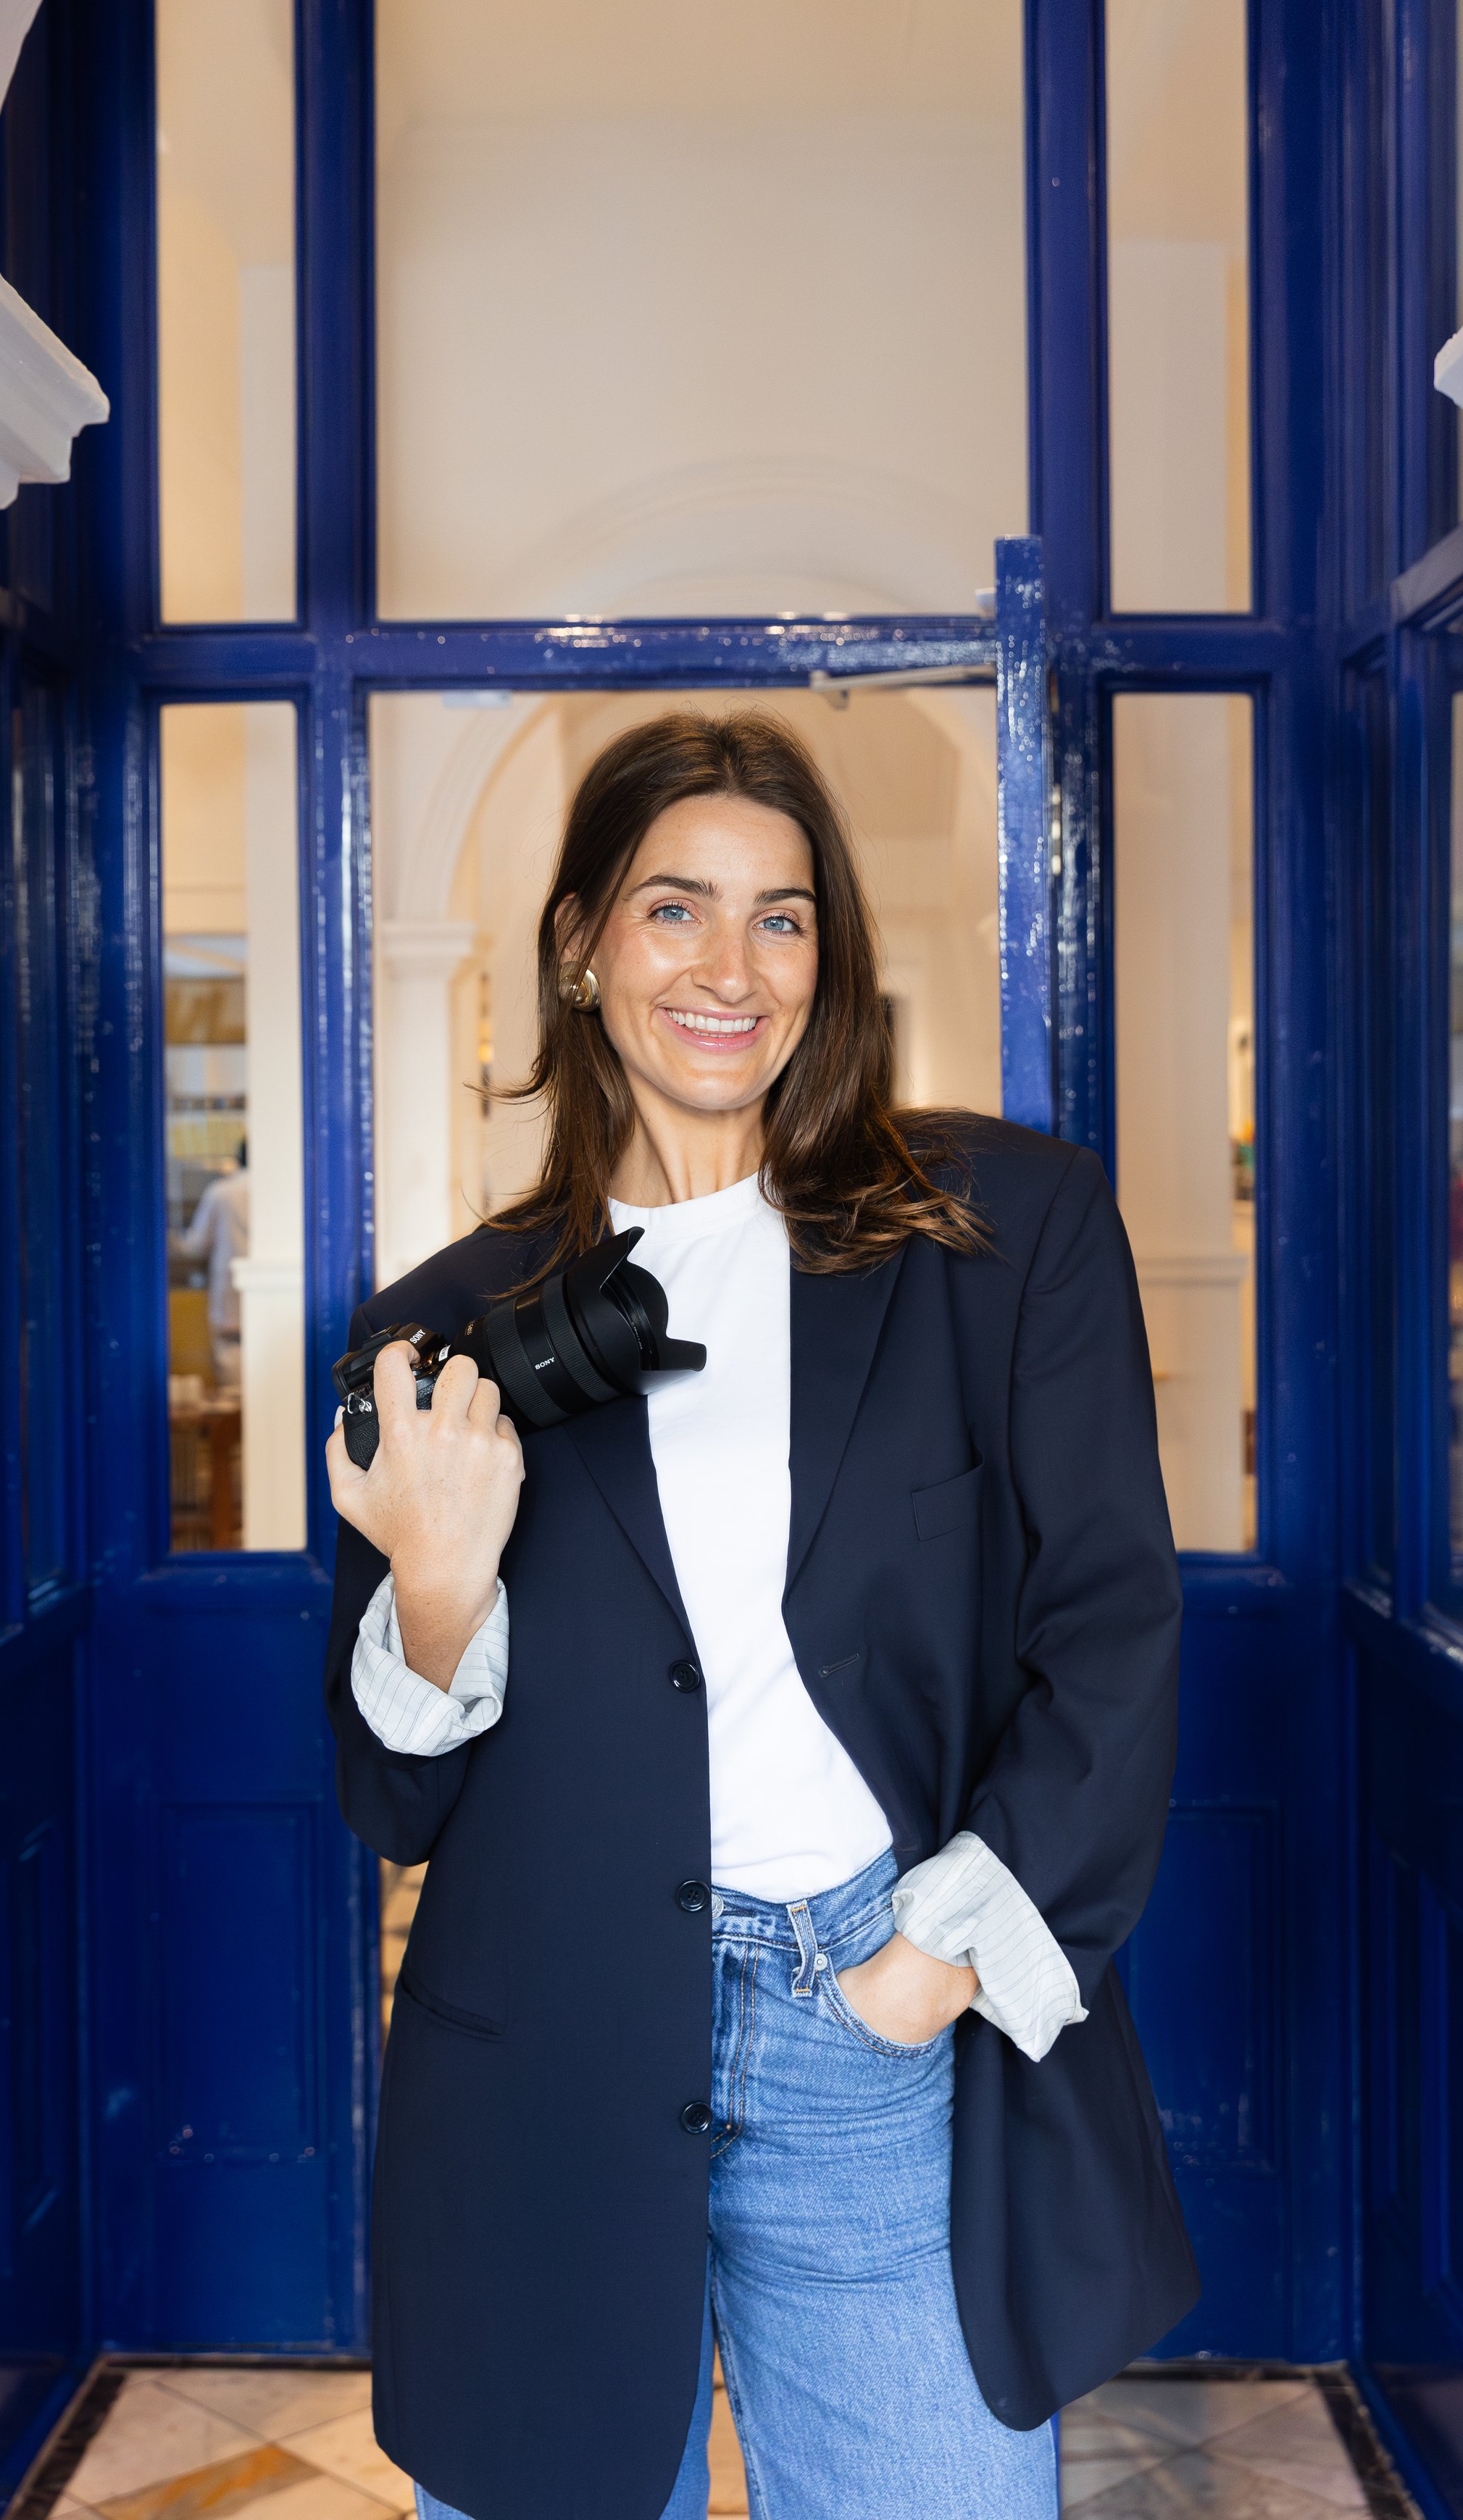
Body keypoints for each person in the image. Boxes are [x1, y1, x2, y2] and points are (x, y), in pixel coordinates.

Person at [323, 712, 1196, 2520]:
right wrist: (438, 1580)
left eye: (780, 917)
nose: (730, 967)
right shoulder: (449, 1325)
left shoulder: (999, 1235)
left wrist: (934, 1960)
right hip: (548, 2039)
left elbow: (1109, 1632)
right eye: (676, 908)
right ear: (581, 943)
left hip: (874, 2016)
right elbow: (392, 1800)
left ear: (829, 955)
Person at [175, 1143, 249, 1385]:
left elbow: (195, 1246)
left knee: (232, 1355)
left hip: (230, 1292)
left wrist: (170, 1238)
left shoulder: (221, 1192)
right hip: (272, 1297)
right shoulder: (282, 1191)